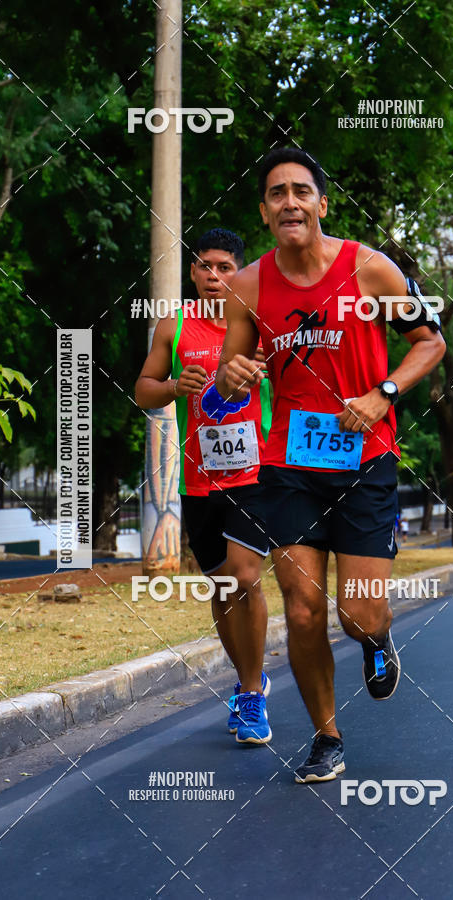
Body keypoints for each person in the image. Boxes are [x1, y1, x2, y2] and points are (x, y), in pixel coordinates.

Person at [216, 147, 446, 782]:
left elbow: (431, 342)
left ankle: (376, 637)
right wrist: (230, 376)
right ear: (264, 213)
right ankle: (326, 737)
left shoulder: (371, 270)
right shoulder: (247, 286)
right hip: (289, 464)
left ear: (321, 203)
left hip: (366, 459)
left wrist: (384, 394)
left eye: (300, 191)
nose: (289, 201)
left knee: (357, 611)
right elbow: (228, 381)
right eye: (276, 194)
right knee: (302, 608)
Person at [135, 227, 273, 745]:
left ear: (241, 272)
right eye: (204, 266)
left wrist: (263, 380)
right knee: (221, 586)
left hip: (255, 473)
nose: (214, 277)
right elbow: (143, 390)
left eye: (224, 267)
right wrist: (174, 385)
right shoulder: (174, 327)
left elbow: (295, 390)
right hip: (198, 478)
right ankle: (248, 683)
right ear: (193, 272)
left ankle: (254, 694)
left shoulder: (261, 327)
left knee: (245, 576)